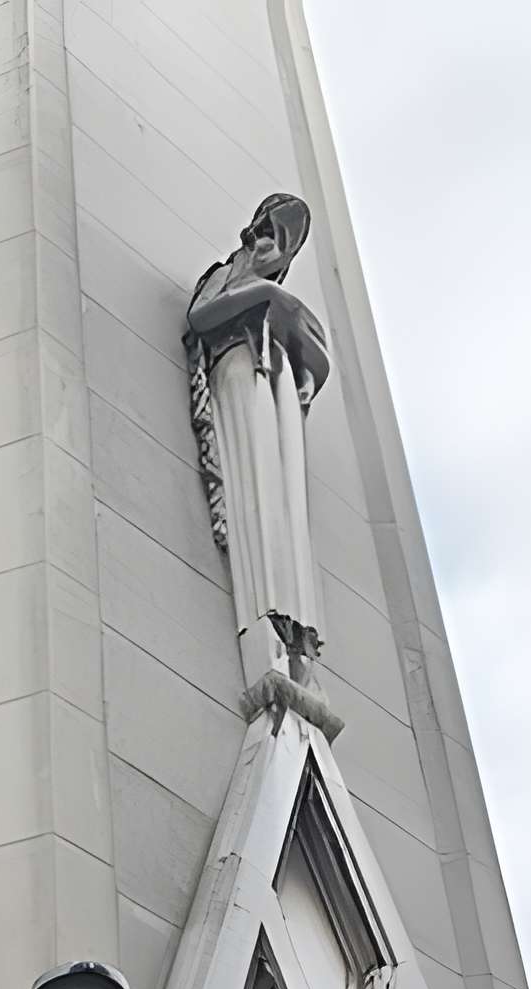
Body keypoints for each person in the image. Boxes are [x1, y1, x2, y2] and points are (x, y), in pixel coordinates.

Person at [184, 194, 331, 676]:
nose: (276, 251)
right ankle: (267, 620)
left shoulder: (280, 297)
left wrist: (281, 307)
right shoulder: (228, 275)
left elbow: (319, 358)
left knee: (285, 497)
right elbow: (203, 315)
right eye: (272, 235)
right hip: (240, 360)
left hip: (278, 379)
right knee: (255, 483)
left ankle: (300, 636)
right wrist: (264, 297)